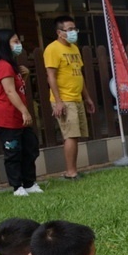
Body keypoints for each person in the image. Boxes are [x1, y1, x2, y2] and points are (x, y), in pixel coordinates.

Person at [0, 28, 42, 196]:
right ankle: (17, 186)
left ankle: (29, 183)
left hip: (17, 116)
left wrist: (24, 76)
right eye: (15, 42)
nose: (19, 45)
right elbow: (9, 92)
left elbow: (17, 89)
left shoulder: (12, 66)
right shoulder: (3, 66)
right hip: (7, 117)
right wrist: (25, 112)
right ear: (5, 44)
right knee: (13, 152)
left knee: (30, 148)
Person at [44, 15, 96, 180]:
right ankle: (71, 172)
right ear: (60, 32)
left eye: (75, 29)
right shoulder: (52, 49)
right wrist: (58, 101)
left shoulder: (74, 48)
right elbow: (51, 76)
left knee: (76, 134)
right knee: (70, 135)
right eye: (70, 29)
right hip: (64, 99)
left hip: (76, 97)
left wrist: (86, 97)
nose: (74, 32)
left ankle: (73, 170)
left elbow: (78, 74)